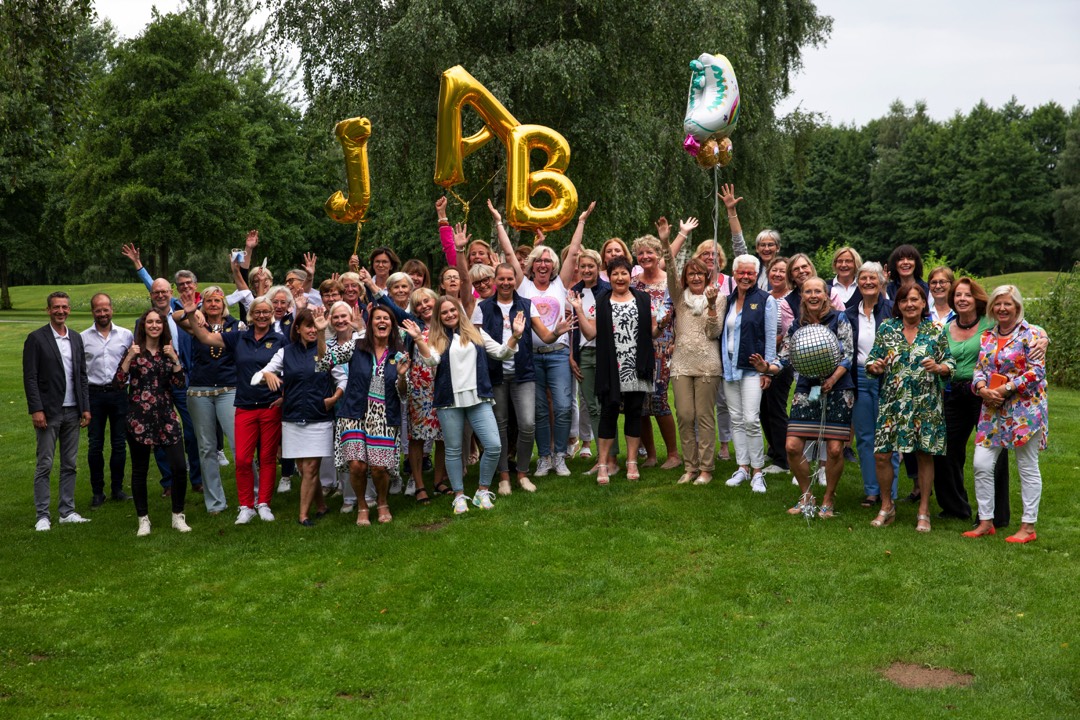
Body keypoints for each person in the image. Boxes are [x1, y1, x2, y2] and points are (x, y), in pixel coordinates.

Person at [411, 296, 523, 514]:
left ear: (459, 311)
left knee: (493, 445)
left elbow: (501, 353)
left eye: (453, 310)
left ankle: (482, 491)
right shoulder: (435, 338)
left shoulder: (476, 333)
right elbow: (431, 360)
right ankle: (459, 496)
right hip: (449, 400)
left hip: (477, 397)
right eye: (444, 312)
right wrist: (418, 339)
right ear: (439, 317)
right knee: (453, 449)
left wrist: (516, 336)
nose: (450, 315)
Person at [181, 294, 286, 525]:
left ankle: (264, 503)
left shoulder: (280, 340)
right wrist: (190, 313)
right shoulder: (238, 337)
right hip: (245, 405)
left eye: (266, 312)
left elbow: (293, 369)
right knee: (242, 459)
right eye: (257, 312)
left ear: (271, 315)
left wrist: (283, 396)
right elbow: (206, 337)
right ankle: (246, 505)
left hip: (270, 406)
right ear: (250, 315)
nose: (261, 315)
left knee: (267, 458)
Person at [761, 277, 854, 518]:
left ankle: (828, 498)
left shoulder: (839, 318)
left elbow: (848, 354)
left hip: (838, 388)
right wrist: (766, 367)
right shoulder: (797, 325)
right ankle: (806, 495)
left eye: (817, 291)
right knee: (792, 446)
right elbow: (784, 358)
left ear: (826, 295)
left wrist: (832, 380)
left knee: (834, 450)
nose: (813, 295)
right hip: (806, 389)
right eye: (807, 291)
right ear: (802, 296)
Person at [866, 282, 954, 532]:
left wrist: (940, 368)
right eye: (905, 300)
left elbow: (949, 362)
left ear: (923, 303)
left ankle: (924, 510)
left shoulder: (935, 330)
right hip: (893, 402)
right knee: (882, 454)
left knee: (924, 454)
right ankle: (887, 505)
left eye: (915, 299)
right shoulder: (887, 328)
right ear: (899, 305)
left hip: (925, 403)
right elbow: (873, 359)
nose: (910, 304)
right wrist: (875, 366)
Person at [518, 200, 595, 478]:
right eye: (538, 260)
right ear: (532, 265)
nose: (542, 264)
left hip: (559, 354)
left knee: (563, 406)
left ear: (553, 266)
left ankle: (561, 456)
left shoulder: (560, 284)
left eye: (547, 260)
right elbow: (505, 249)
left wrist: (582, 221)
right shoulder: (523, 285)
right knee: (539, 409)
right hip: (531, 356)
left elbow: (574, 252)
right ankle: (544, 458)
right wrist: (499, 223)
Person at [967, 286, 1048, 543]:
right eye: (998, 304)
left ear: (1017, 306)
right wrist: (981, 388)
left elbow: (1037, 373)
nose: (1002, 308)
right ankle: (986, 521)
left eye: (1008, 304)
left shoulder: (1032, 334)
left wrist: (1006, 387)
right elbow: (979, 368)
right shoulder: (987, 336)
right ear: (992, 307)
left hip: (1025, 411)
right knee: (981, 463)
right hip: (992, 409)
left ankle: (1028, 527)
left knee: (1027, 466)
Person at [316, 305, 409, 525]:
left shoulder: (399, 353)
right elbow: (323, 364)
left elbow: (404, 393)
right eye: (377, 318)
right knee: (357, 464)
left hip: (384, 415)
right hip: (355, 412)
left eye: (386, 318)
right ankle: (362, 505)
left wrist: (403, 376)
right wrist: (320, 333)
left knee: (378, 467)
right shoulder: (356, 346)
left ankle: (383, 502)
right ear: (370, 324)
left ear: (392, 325)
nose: (382, 322)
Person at [254, 308, 344, 526]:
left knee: (311, 468)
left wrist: (333, 399)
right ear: (298, 328)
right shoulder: (286, 352)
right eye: (308, 326)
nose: (312, 330)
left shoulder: (325, 351)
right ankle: (321, 505)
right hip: (293, 417)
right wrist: (267, 374)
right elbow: (256, 378)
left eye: (315, 326)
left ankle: (303, 515)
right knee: (305, 470)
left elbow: (343, 379)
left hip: (319, 417)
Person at [935, 278, 1013, 525]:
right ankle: (955, 506)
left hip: (985, 393)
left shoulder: (990, 324)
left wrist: (1043, 339)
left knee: (993, 452)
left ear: (976, 298)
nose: (962, 299)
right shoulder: (947, 329)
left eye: (967, 295)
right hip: (954, 393)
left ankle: (995, 515)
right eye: (957, 295)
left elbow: (1027, 330)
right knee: (945, 450)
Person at [576, 257, 657, 484]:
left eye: (624, 273)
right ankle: (603, 463)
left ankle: (631, 462)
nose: (619, 278)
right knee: (608, 412)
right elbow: (590, 333)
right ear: (608, 277)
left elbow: (652, 331)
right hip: (611, 365)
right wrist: (578, 311)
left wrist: (661, 323)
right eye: (615, 274)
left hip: (637, 365)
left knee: (634, 411)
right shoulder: (601, 301)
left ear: (630, 275)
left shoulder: (643, 298)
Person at [115, 309, 192, 536]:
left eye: (158, 321)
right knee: (139, 470)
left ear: (163, 326)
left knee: (179, 467)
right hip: (139, 418)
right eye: (150, 322)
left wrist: (175, 360)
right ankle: (143, 519)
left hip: (166, 416)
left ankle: (178, 515)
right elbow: (119, 383)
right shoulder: (135, 351)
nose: (154, 325)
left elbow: (180, 384)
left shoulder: (168, 351)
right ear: (143, 325)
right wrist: (129, 358)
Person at [657, 224, 723, 485]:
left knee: (705, 417)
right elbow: (670, 270)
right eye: (691, 274)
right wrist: (666, 242)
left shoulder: (717, 298)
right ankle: (690, 467)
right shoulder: (678, 298)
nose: (696, 278)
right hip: (682, 364)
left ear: (707, 277)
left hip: (708, 364)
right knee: (684, 415)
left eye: (700, 274)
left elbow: (713, 332)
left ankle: (706, 469)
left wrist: (710, 305)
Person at [24, 291, 92, 531]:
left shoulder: (75, 338)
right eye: (56, 307)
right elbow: (30, 378)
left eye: (64, 307)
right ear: (48, 310)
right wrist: (37, 409)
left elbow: (81, 376)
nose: (61, 311)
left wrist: (85, 408)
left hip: (73, 410)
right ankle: (42, 515)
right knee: (45, 463)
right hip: (49, 412)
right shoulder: (36, 338)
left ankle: (67, 511)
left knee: (70, 464)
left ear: (69, 310)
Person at [172, 286, 242, 515]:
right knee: (207, 448)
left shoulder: (235, 325)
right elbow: (174, 316)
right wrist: (192, 311)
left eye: (217, 301)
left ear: (224, 304)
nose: (213, 304)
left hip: (229, 388)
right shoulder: (197, 324)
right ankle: (215, 502)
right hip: (200, 390)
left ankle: (251, 496)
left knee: (238, 445)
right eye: (209, 300)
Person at [481, 263, 541, 495]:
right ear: (495, 280)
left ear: (516, 280)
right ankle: (504, 476)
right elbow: (476, 339)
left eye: (510, 279)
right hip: (495, 375)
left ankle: (523, 473)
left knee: (527, 424)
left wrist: (558, 331)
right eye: (502, 279)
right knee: (500, 426)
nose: (506, 283)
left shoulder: (526, 305)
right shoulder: (484, 307)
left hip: (523, 373)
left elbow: (543, 334)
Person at [721, 255, 778, 493]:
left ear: (756, 275)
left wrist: (769, 369)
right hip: (729, 367)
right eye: (741, 273)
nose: (745, 277)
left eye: (750, 273)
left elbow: (771, 336)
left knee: (751, 420)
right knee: (735, 418)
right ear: (734, 274)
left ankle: (757, 471)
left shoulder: (766, 300)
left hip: (753, 368)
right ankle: (742, 467)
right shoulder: (727, 299)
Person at [845, 263, 894, 507]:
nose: (867, 282)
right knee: (865, 437)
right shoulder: (849, 312)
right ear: (858, 282)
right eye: (863, 278)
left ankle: (890, 491)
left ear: (881, 281)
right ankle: (872, 490)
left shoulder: (892, 309)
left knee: (889, 436)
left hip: (889, 378)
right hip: (860, 377)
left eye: (872, 278)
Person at [631, 233, 680, 470]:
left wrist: (677, 340)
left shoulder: (670, 281)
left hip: (664, 346)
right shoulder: (633, 283)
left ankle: (673, 454)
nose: (645, 256)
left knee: (659, 399)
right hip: (637, 347)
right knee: (639, 400)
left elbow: (680, 312)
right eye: (641, 253)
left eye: (650, 252)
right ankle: (650, 455)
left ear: (659, 255)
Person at [81, 293, 133, 507]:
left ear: (111, 309)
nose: (102, 313)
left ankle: (117, 489)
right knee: (95, 445)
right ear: (93, 311)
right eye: (98, 310)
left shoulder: (126, 335)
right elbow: (80, 372)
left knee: (119, 444)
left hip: (120, 394)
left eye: (105, 309)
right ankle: (97, 491)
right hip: (94, 395)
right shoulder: (82, 338)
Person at [569, 249, 614, 474]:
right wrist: (571, 355)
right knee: (592, 407)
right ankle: (602, 457)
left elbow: (593, 332)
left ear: (598, 267)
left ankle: (609, 458)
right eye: (583, 266)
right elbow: (572, 326)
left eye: (591, 266)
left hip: (605, 354)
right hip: (582, 355)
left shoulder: (607, 290)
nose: (587, 270)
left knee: (606, 405)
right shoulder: (574, 291)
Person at [760, 257, 795, 473]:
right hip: (763, 360)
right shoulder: (764, 297)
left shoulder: (791, 300)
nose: (778, 274)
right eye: (774, 270)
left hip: (782, 360)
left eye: (782, 271)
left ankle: (784, 459)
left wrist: (771, 343)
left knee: (776, 407)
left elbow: (788, 333)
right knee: (763, 407)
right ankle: (774, 448)